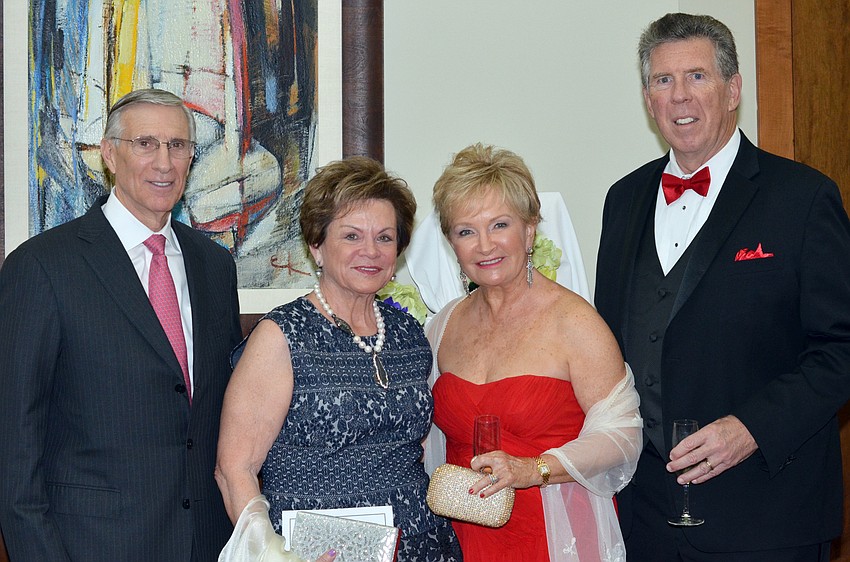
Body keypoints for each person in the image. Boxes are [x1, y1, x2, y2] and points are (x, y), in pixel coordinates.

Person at [594, 13, 850, 561]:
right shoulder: (623, 200)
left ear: (733, 90)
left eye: (697, 77)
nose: (680, 97)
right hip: (645, 521)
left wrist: (751, 428)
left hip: (767, 515)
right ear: (647, 97)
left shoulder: (803, 199)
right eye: (663, 81)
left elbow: (842, 350)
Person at [0, 89, 242, 561]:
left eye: (178, 146)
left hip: (206, 544)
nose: (165, 163)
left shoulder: (214, 265)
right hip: (91, 547)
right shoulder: (43, 267)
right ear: (109, 154)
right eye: (145, 144)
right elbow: (13, 449)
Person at [215, 156, 463, 562]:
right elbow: (234, 469)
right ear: (317, 244)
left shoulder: (409, 336)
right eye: (351, 236)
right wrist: (274, 556)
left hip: (421, 544)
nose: (371, 251)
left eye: (385, 237)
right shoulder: (282, 336)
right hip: (316, 554)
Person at [423, 143, 643, 562]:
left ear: (530, 229)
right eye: (466, 231)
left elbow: (623, 436)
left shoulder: (575, 322)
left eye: (499, 225)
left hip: (554, 537)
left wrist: (534, 469)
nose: (484, 245)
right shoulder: (444, 325)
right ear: (451, 242)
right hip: (461, 539)